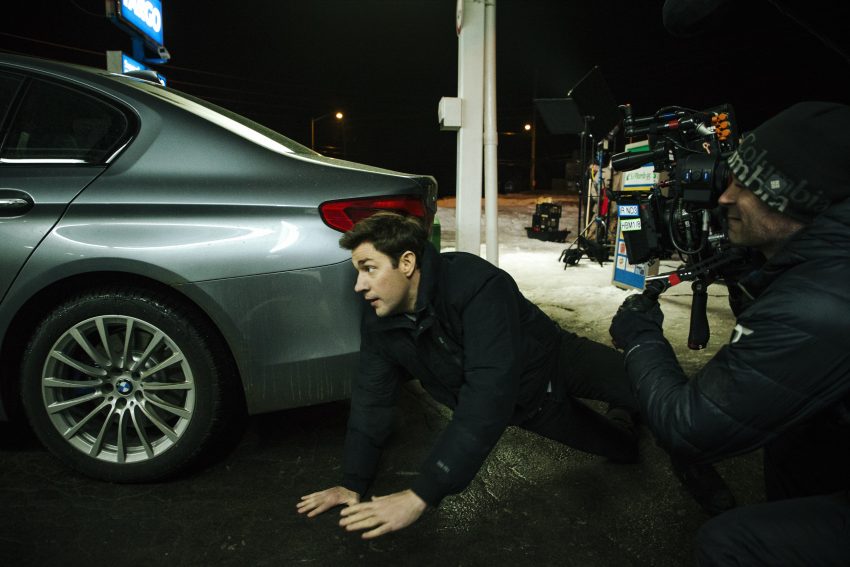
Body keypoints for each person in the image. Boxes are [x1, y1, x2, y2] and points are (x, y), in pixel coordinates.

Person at [297, 211, 640, 539]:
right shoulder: (379, 320)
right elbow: (370, 399)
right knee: (623, 449)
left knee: (653, 391)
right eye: (358, 272)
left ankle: (629, 401)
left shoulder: (473, 282)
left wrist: (422, 493)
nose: (359, 285)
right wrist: (353, 482)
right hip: (531, 408)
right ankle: (623, 416)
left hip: (556, 359)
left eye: (369, 269)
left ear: (406, 263)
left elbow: (488, 392)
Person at [609, 101, 850, 564]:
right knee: (792, 441)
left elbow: (690, 426)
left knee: (729, 544)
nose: (724, 198)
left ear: (793, 199)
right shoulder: (824, 259)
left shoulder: (818, 301)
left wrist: (640, 336)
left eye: (746, 185)